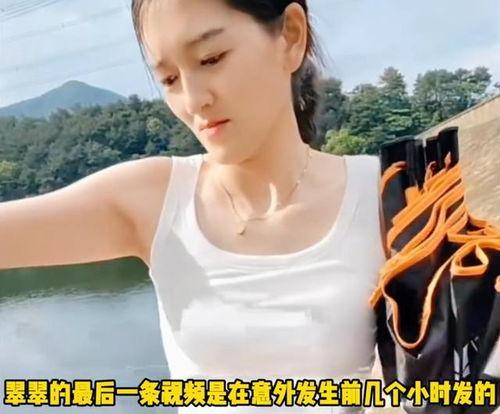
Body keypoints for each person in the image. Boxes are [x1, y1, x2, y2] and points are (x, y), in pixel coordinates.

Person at [0, 0, 386, 412]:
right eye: (169, 79)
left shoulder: (391, 195)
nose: (193, 99)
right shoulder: (155, 201)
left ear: (291, 35)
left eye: (211, 58)